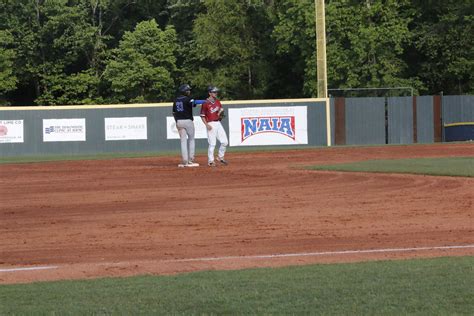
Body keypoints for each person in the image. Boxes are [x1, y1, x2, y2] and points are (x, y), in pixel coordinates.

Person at [200, 85, 228, 167]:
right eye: (214, 92)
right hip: (211, 123)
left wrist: (221, 114)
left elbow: (220, 114)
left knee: (225, 142)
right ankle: (211, 161)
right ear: (209, 93)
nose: (216, 93)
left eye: (216, 92)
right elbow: (202, 115)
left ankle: (220, 157)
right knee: (212, 143)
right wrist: (206, 124)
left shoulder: (217, 101)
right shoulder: (205, 103)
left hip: (218, 123)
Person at [173, 84, 199, 168]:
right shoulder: (188, 99)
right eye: (188, 90)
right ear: (185, 91)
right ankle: (190, 160)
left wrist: (177, 121)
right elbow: (194, 103)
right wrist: (204, 101)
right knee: (191, 139)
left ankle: (184, 161)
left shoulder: (176, 100)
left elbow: (173, 112)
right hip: (188, 121)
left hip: (179, 121)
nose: (189, 91)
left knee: (183, 141)